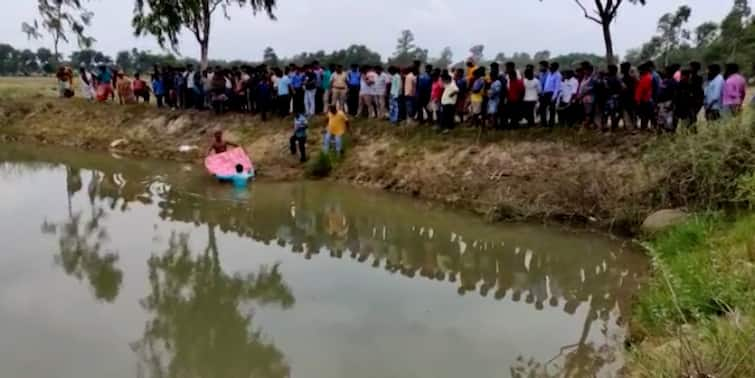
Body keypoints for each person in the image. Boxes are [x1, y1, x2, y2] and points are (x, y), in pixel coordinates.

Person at [540, 62, 561, 127]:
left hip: (552, 94)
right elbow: (546, 83)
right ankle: (544, 123)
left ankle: (551, 124)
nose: (550, 68)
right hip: (545, 93)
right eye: (550, 67)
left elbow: (557, 87)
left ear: (555, 68)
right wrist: (543, 92)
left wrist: (554, 97)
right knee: (542, 108)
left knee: (552, 110)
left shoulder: (558, 75)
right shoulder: (549, 74)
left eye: (551, 67)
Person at [635, 63, 654, 130]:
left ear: (644, 70)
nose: (640, 72)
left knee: (644, 115)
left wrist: (638, 100)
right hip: (646, 99)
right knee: (646, 115)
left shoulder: (646, 78)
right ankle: (645, 127)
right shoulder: (646, 77)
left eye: (640, 70)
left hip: (645, 100)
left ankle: (644, 128)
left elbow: (641, 90)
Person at [619, 62, 638, 131]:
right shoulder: (630, 78)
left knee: (630, 113)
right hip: (629, 99)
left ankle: (632, 127)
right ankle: (631, 127)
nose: (620, 69)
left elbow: (631, 90)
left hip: (629, 99)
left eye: (622, 68)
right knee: (630, 113)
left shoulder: (628, 79)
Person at [604, 64, 622, 130]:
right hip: (613, 97)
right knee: (612, 113)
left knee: (608, 113)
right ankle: (612, 126)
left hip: (610, 97)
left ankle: (609, 126)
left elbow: (606, 87)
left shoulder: (608, 78)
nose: (608, 71)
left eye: (609, 69)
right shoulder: (617, 78)